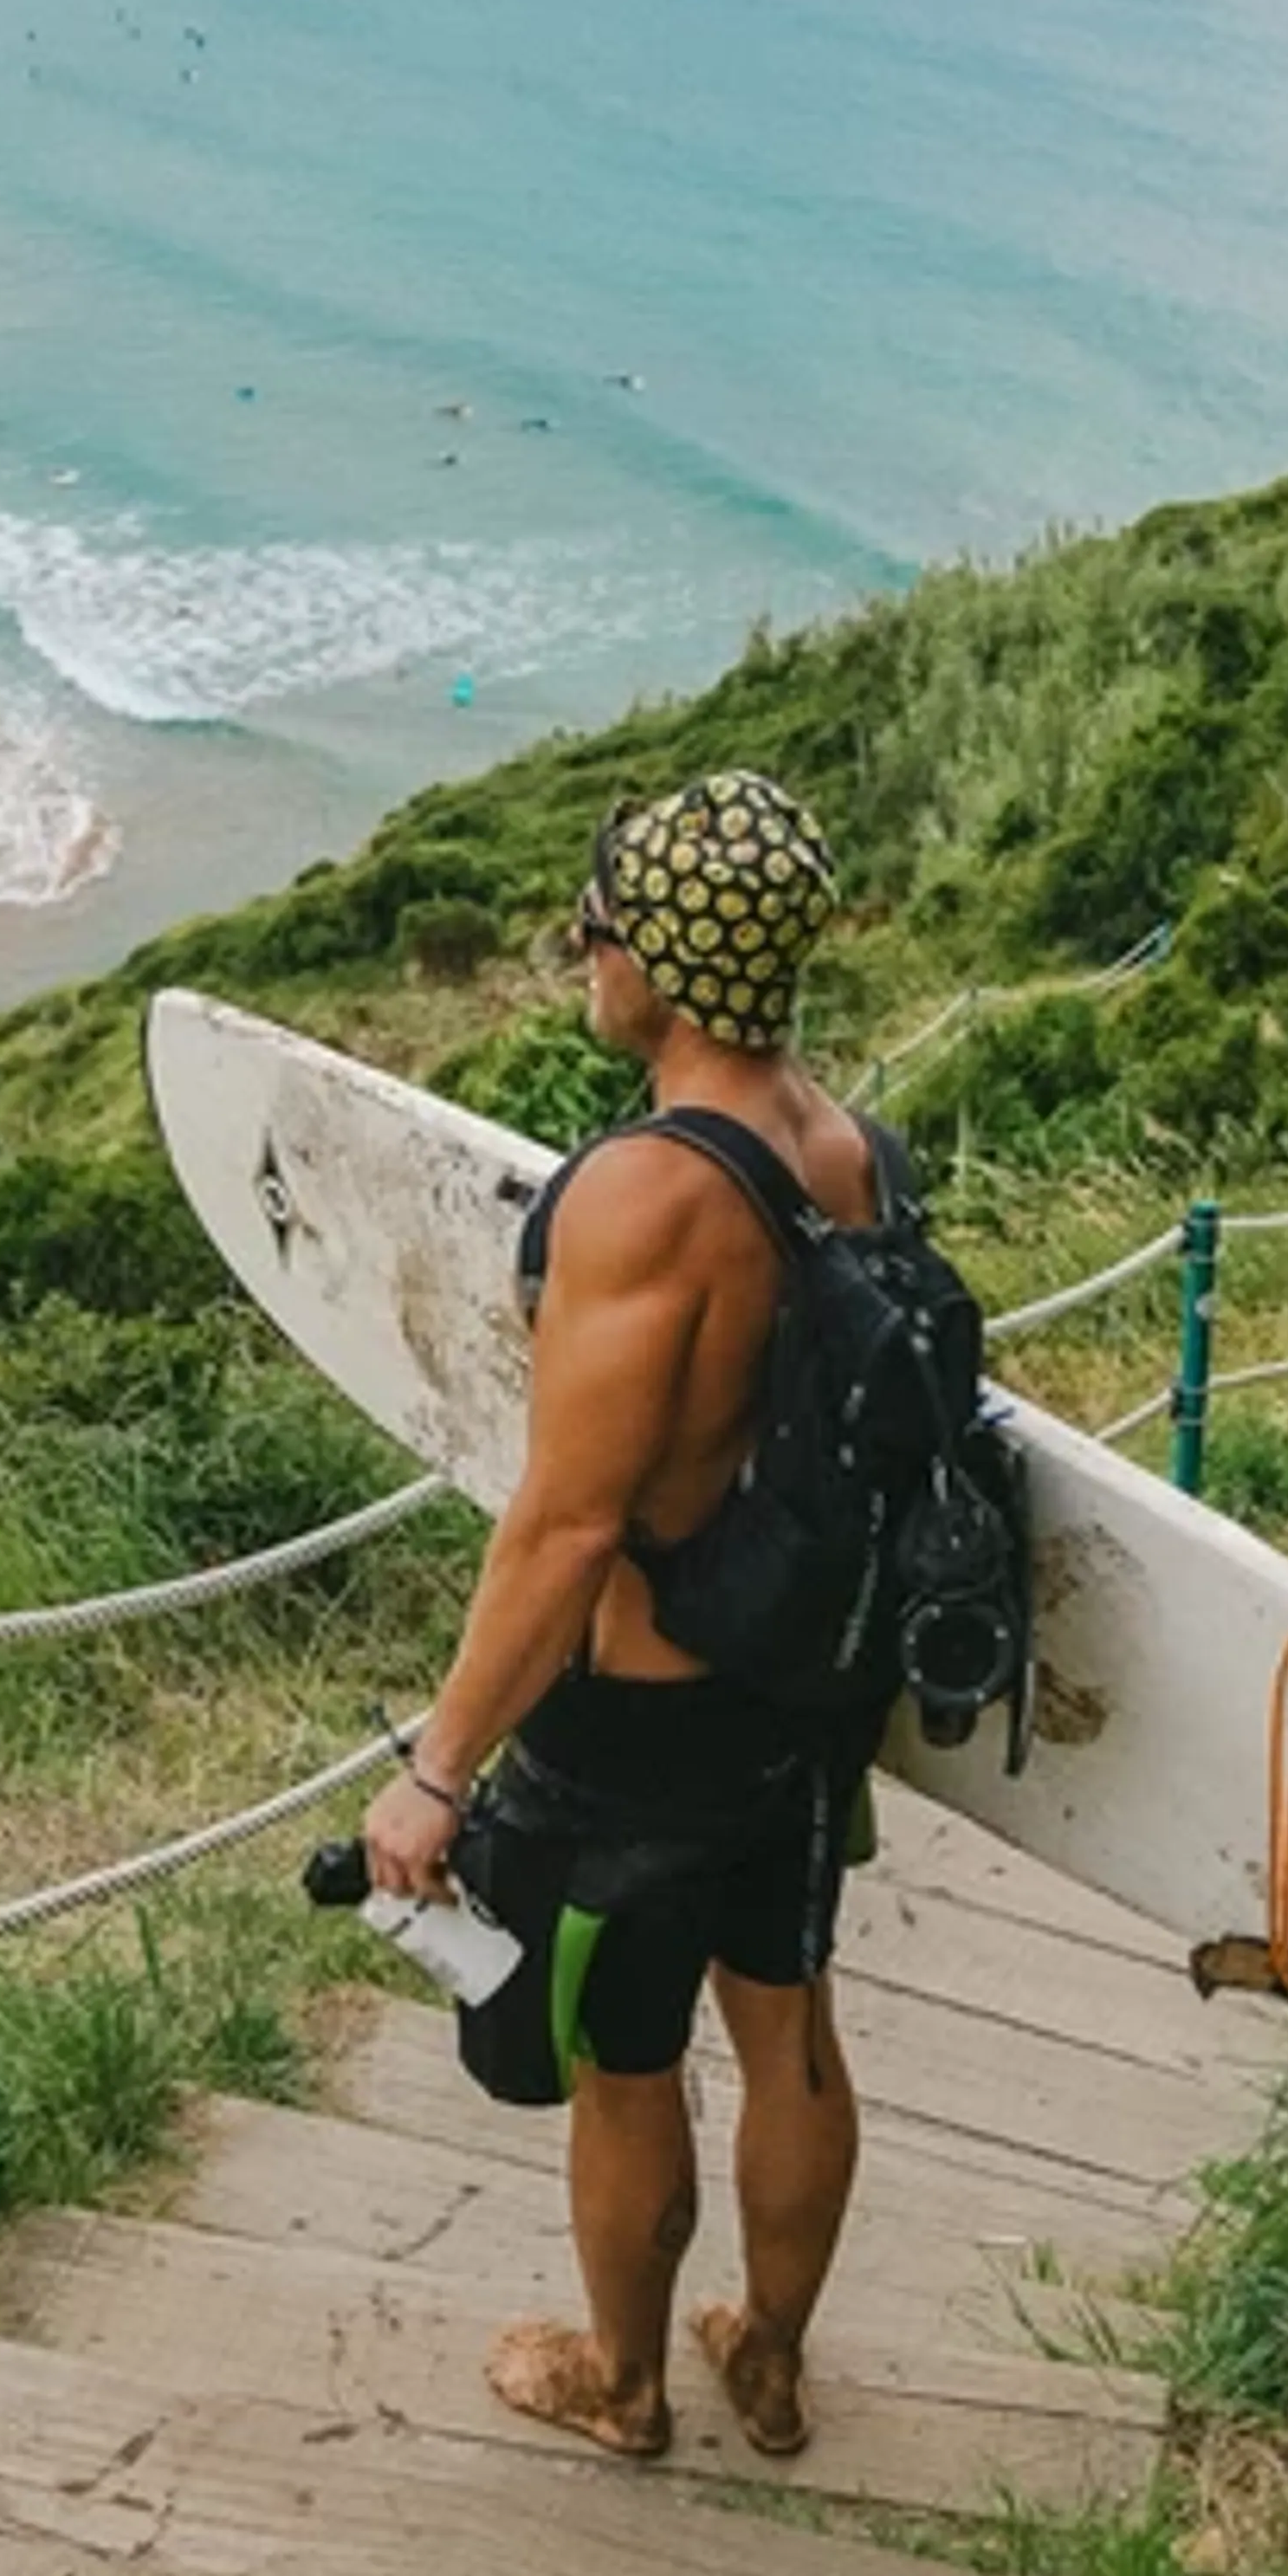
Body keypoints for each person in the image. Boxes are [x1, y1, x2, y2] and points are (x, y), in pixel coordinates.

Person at [362, 768, 879, 2467]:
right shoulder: (835, 1145)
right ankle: (773, 2354)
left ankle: (629, 2378)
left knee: (627, 2058)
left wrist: (439, 1768)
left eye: (599, 921)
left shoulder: (644, 1192)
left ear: (663, 955)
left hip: (640, 1725)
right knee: (790, 2020)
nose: (581, 949)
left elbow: (569, 1518)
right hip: (794, 1695)